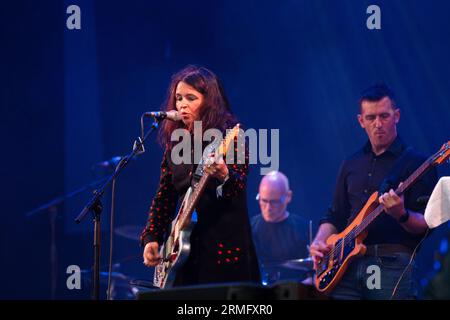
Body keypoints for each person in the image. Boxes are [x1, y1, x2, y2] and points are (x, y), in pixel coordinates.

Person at [309, 83, 438, 300]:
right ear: (361, 121)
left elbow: (427, 224)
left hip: (390, 264)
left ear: (396, 116)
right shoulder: (351, 163)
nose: (378, 124)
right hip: (345, 267)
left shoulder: (418, 163)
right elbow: (335, 214)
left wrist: (402, 215)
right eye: (370, 118)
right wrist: (319, 242)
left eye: (384, 116)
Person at [140, 65, 260, 286]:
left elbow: (239, 185)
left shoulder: (231, 136)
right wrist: (151, 238)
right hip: (185, 257)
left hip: (224, 253)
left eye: (190, 98)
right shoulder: (175, 145)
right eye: (178, 98)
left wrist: (224, 174)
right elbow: (164, 197)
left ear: (209, 101)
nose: (182, 104)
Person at [251, 171, 311, 285]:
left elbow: (314, 271)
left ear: (288, 196)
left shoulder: (304, 229)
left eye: (274, 202)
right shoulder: (249, 229)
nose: (268, 208)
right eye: (263, 201)